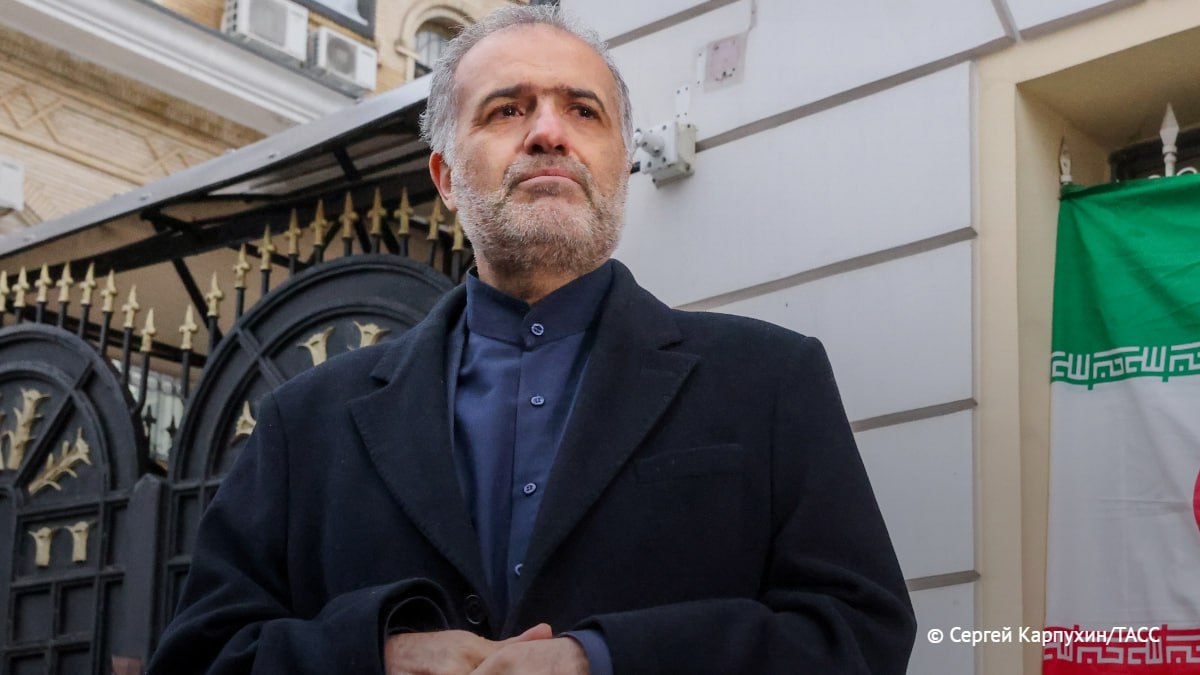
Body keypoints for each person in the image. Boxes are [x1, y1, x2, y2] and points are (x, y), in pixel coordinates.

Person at [148, 6, 916, 674]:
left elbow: (859, 633)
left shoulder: (770, 379)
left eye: (584, 111)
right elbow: (200, 655)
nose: (549, 132)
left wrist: (602, 658)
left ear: (621, 165)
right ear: (446, 178)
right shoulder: (304, 421)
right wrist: (378, 655)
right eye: (507, 109)